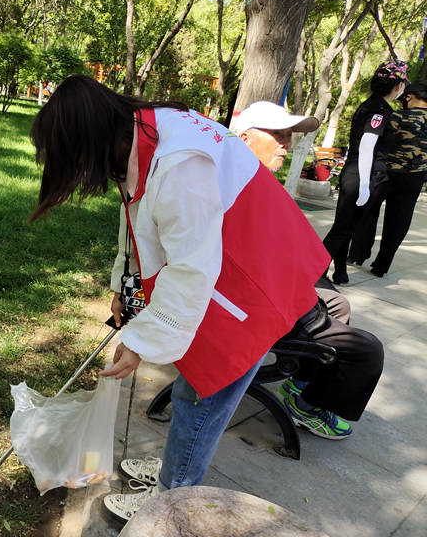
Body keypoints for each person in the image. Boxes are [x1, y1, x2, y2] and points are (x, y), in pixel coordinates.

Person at [27, 76, 330, 522]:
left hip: (256, 278)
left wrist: (140, 341)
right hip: (228, 263)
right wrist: (124, 286)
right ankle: (176, 469)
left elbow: (191, 266)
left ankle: (173, 499)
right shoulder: (140, 134)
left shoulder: (177, 160)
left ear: (89, 140)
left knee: (206, 393)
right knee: (193, 382)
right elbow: (138, 214)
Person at [234, 102, 383, 438]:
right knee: (366, 350)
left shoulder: (258, 182)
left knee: (337, 303)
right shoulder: (234, 185)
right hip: (251, 304)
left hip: (273, 290)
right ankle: (308, 403)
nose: (287, 143)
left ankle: (302, 387)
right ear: (244, 137)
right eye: (278, 134)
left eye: (289, 135)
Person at [322, 61, 409, 284]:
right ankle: (313, 270)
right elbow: (367, 146)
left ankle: (339, 271)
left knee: (345, 225)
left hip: (355, 171)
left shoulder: (369, 105)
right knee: (344, 228)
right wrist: (364, 185)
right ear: (397, 85)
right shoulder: (379, 110)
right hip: (364, 174)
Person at [351, 82, 427, 276]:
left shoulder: (398, 116)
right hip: (415, 178)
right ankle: (382, 265)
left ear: (409, 97)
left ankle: (358, 254)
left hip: (386, 174)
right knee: (400, 220)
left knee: (368, 212)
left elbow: (382, 143)